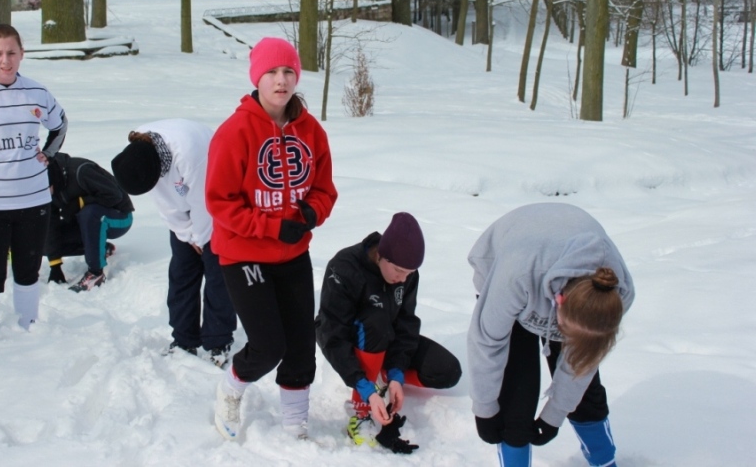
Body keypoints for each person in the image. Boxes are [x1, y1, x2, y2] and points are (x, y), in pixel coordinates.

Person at [206, 37, 338, 440]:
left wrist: (312, 212)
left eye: (288, 72)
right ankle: (229, 390)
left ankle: (295, 421)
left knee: (300, 344)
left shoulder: (310, 130)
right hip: (243, 253)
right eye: (272, 72)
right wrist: (271, 226)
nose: (281, 80)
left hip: (293, 253)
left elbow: (324, 187)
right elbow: (220, 202)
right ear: (257, 78)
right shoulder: (234, 132)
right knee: (268, 345)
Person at [467, 203, 635, 467]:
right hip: (510, 260)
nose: (561, 339)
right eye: (564, 331)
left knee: (586, 394)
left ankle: (604, 461)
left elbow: (582, 365)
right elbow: (487, 341)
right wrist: (485, 407)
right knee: (517, 394)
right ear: (559, 301)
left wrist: (555, 414)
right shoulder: (517, 277)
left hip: (557, 262)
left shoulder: (616, 295)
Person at [316, 212, 462, 453]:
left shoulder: (406, 275)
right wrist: (364, 388)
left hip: (385, 340)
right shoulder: (344, 268)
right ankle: (361, 411)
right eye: (398, 270)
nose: (402, 278)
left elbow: (406, 324)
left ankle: (382, 376)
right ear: (381, 255)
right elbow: (333, 335)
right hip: (347, 340)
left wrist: (396, 374)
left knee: (447, 371)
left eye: (410, 273)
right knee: (377, 320)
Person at [0, 24, 67, 335]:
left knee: (28, 273)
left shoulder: (37, 93)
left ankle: (28, 331)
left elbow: (59, 125)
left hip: (33, 201)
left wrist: (49, 153)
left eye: (12, 53)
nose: (6, 60)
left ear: (22, 55)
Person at [111, 119, 237, 367]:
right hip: (187, 211)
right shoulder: (139, 155)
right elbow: (166, 204)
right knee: (181, 273)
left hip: (220, 201)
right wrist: (186, 235)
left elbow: (205, 203)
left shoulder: (190, 153)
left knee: (218, 275)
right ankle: (184, 339)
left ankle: (218, 341)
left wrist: (200, 238)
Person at [45, 152, 135, 291]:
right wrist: (55, 266)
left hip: (120, 217)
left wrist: (81, 202)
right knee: (42, 241)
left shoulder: (81, 171)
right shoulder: (45, 191)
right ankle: (101, 248)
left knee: (90, 213)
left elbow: (115, 196)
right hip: (87, 222)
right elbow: (51, 225)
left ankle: (96, 273)